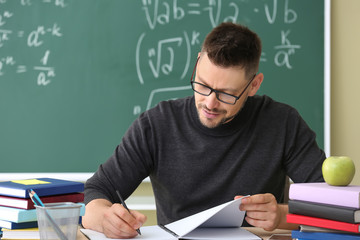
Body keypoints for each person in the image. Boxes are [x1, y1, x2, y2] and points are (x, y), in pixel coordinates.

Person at [82, 22, 325, 239]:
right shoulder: (156, 124)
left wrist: (283, 215)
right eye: (202, 85)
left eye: (227, 94)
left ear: (254, 85)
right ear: (198, 62)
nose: (210, 103)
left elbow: (334, 206)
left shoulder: (282, 123)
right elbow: (97, 190)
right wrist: (106, 219)